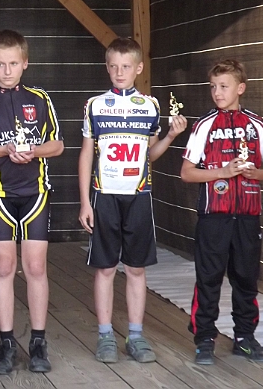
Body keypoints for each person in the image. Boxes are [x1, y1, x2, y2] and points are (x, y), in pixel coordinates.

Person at [0, 30, 64, 375]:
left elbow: (58, 145)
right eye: (0, 64)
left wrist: (34, 151)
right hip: (0, 194)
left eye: (13, 64)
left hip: (36, 192)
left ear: (25, 63)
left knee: (35, 267)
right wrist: (4, 150)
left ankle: (38, 342)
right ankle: (6, 343)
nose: (7, 70)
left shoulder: (40, 98)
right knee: (4, 267)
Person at [78, 37, 187, 363]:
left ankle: (136, 336)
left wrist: (171, 135)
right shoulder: (94, 105)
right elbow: (86, 155)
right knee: (105, 268)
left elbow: (149, 155)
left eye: (126, 66)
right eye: (113, 66)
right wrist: (85, 202)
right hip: (104, 195)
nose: (119, 72)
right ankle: (105, 335)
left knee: (136, 269)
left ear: (139, 68)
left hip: (138, 196)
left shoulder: (150, 106)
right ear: (107, 67)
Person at [180, 59, 263, 365]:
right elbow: (186, 173)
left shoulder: (257, 124)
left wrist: (254, 173)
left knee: (246, 278)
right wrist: (222, 172)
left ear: (241, 88)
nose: (217, 92)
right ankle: (204, 339)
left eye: (224, 86)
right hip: (214, 214)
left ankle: (245, 338)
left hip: (248, 215)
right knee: (209, 278)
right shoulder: (204, 125)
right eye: (213, 86)